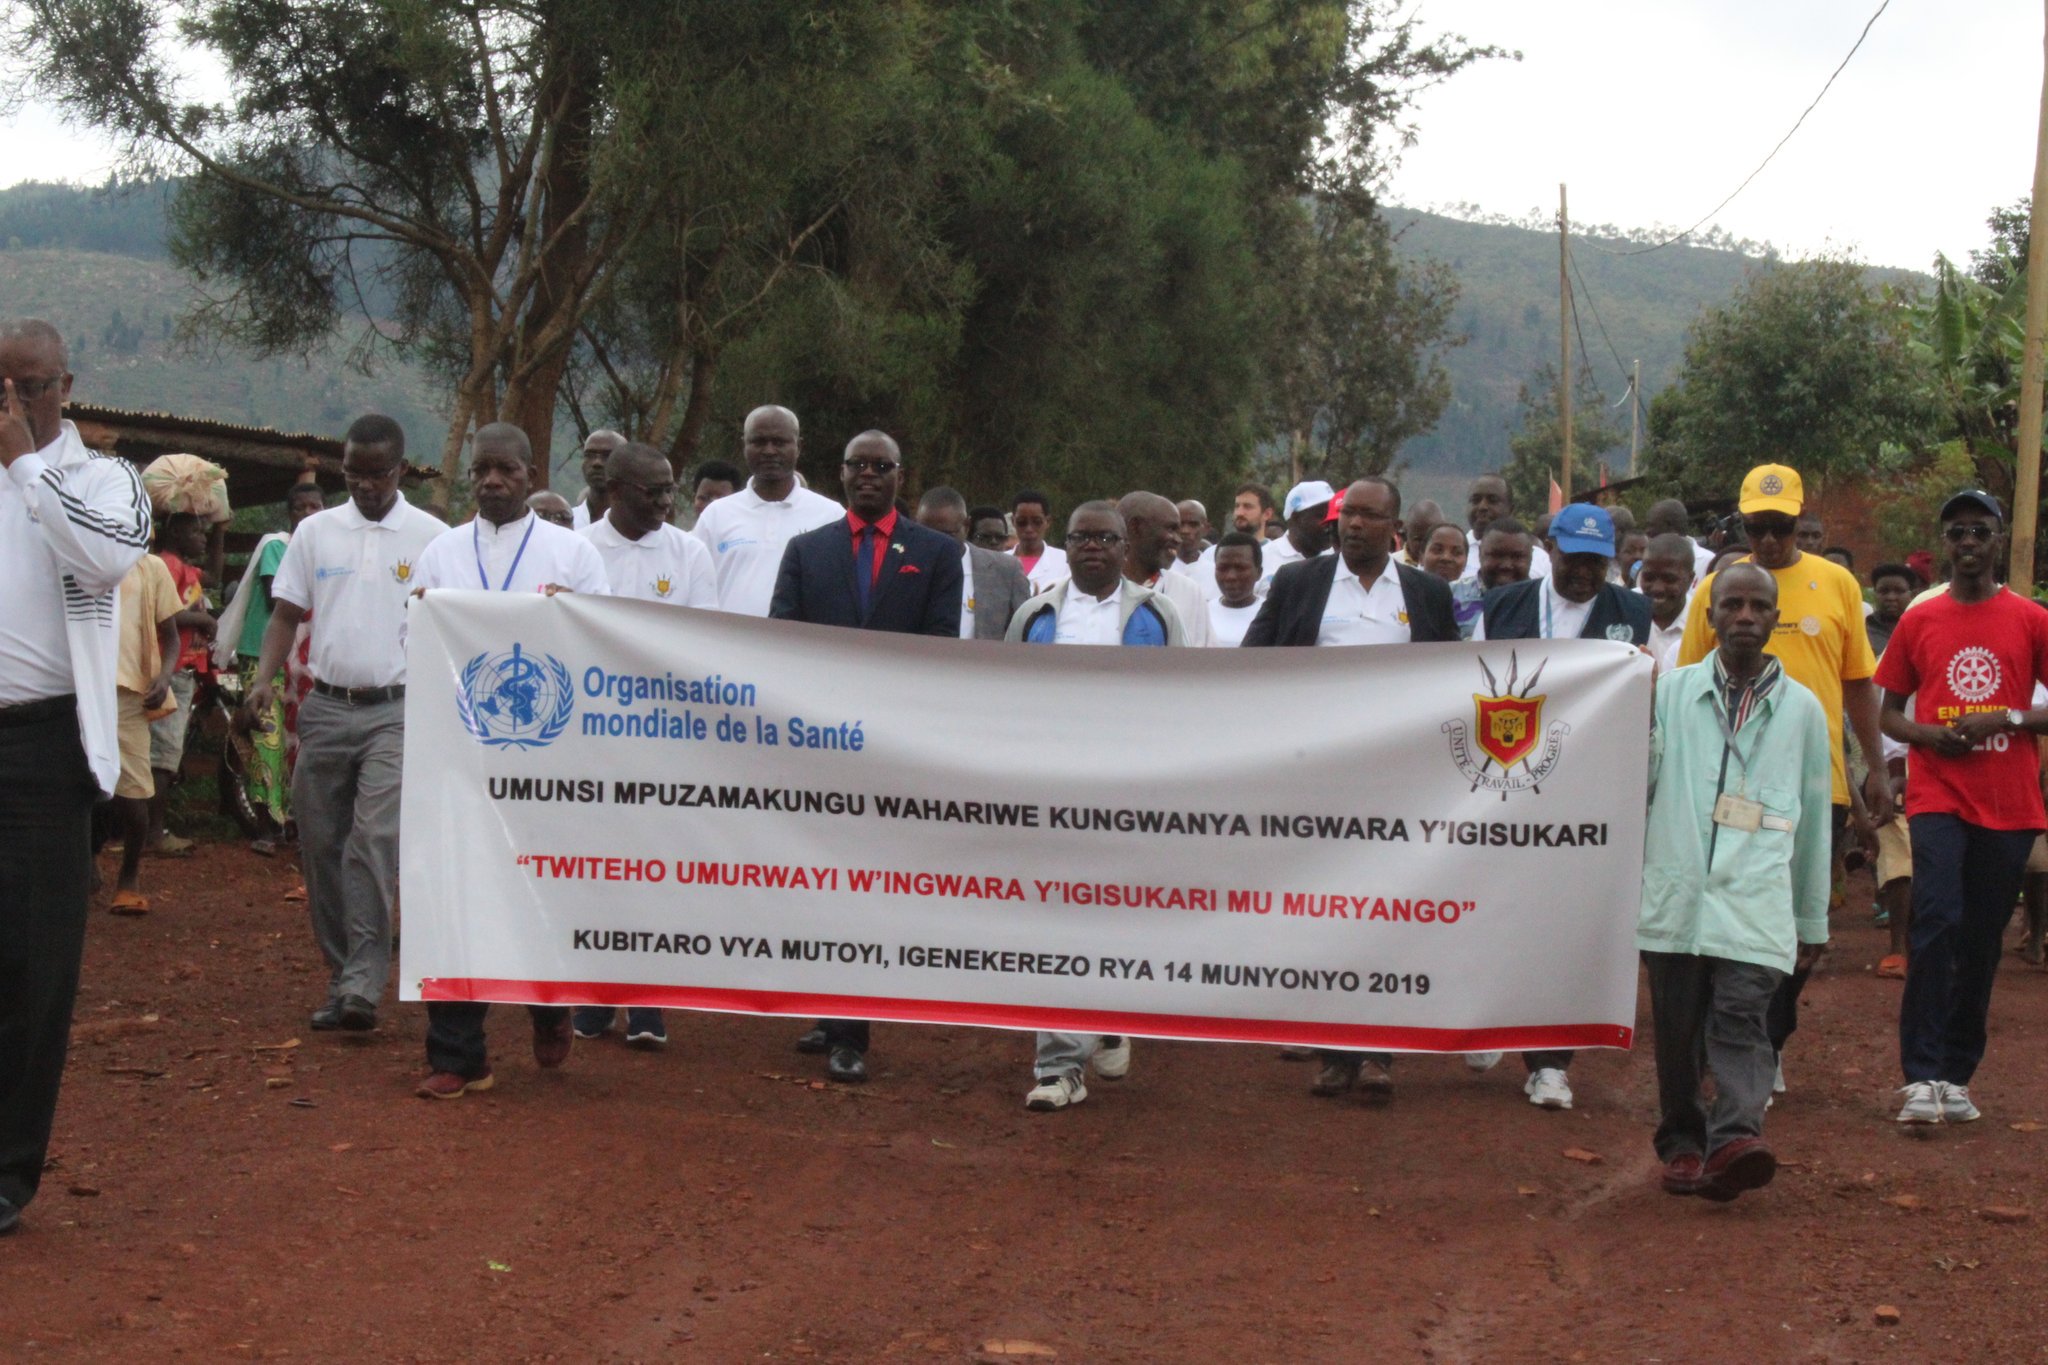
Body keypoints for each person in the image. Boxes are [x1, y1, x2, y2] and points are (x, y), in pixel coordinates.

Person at [0, 317, 152, 1240]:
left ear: (68, 384)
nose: (14, 401)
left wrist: (25, 466)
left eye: (32, 385)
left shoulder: (106, 479)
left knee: (34, 964)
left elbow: (107, 557)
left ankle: (9, 1172)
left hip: (46, 748)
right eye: (2, 386)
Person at [1678, 463, 1892, 1102]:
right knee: (1721, 915)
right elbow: (1683, 686)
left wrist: (1874, 769)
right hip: (1724, 784)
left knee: (1801, 928)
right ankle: (1736, 1037)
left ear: (1801, 522)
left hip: (1813, 787)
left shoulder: (1838, 584)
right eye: (1756, 526)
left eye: (1781, 526)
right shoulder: (1716, 589)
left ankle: (1769, 1033)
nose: (1768, 539)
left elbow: (1858, 684)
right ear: (1740, 524)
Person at [408, 423, 607, 1097]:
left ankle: (549, 1002)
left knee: (539, 890)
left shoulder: (572, 553)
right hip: (459, 753)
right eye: (482, 470)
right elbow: (420, 643)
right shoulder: (440, 553)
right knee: (456, 893)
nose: (492, 480)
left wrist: (567, 618)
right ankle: (457, 1054)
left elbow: (600, 643)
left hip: (550, 762)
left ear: (529, 472)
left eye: (506, 470)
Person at [1240, 476, 1456, 1100]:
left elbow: (1451, 680)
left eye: (1369, 516)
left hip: (1399, 783)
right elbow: (1254, 662)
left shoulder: (1426, 593)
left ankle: (1380, 1049)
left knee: (1388, 908)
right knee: (1328, 910)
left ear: (1395, 529)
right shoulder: (1298, 584)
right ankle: (1335, 1051)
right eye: (1347, 515)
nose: (1355, 524)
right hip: (1316, 777)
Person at [246, 416, 448, 1043]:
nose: (364, 485)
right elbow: (286, 614)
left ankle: (364, 979)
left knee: (371, 838)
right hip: (326, 707)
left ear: (402, 469)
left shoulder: (434, 539)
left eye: (377, 474)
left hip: (399, 709)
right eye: (353, 473)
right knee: (321, 844)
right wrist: (262, 680)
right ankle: (345, 975)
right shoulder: (315, 532)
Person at [772, 431, 964, 1084]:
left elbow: (940, 643)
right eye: (858, 465)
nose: (869, 476)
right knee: (818, 879)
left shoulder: (938, 553)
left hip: (889, 746)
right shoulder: (807, 550)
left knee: (863, 884)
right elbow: (781, 638)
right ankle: (830, 1009)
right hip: (818, 744)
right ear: (842, 472)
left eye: (882, 466)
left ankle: (852, 1030)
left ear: (900, 477)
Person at [1640, 564, 1832, 1200]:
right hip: (1678, 893)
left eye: (1758, 606)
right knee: (1676, 1029)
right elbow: (1637, 786)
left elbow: (1811, 819)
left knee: (1742, 1019)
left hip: (1756, 897)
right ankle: (1684, 1142)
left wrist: (1812, 918)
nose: (1745, 616)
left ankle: (1736, 1140)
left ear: (1776, 619)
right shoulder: (1668, 693)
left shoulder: (1802, 710)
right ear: (1711, 616)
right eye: (1733, 605)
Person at [1002, 500, 1183, 1109]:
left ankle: (1109, 1016)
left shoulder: (1157, 616)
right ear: (1066, 542)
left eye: (1105, 537)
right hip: (1048, 790)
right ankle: (1057, 1067)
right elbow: (1002, 702)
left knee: (1114, 914)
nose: (1092, 548)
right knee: (1056, 915)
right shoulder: (1034, 615)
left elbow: (1182, 704)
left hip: (1127, 792)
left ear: (1124, 546)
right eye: (1081, 538)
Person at [1875, 489, 2048, 1126]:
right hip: (1938, 793)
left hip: (2010, 801)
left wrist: (2004, 716)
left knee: (1980, 939)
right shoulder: (1920, 619)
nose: (1968, 543)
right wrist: (1926, 737)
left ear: (1998, 540)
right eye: (1957, 533)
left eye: (1979, 531)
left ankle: (1957, 1073)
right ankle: (1920, 1075)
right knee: (1937, 919)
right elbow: (1890, 708)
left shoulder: (2032, 618)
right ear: (1944, 544)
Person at [1470, 503, 1650, 1108]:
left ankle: (1551, 1063)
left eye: (1598, 563)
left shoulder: (1634, 613)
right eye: (1575, 558)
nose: (1585, 573)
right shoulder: (1503, 607)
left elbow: (1647, 699)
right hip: (1503, 784)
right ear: (1550, 549)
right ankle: (1489, 1020)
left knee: (1564, 923)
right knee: (1496, 910)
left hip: (1588, 794)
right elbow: (1469, 686)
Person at [567, 441, 716, 1049]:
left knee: (657, 870)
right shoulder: (579, 550)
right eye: (651, 491)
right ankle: (596, 994)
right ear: (613, 491)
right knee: (593, 868)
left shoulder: (689, 553)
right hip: (591, 739)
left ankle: (650, 1002)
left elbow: (702, 642)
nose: (665, 501)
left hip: (664, 738)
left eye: (670, 489)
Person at [215, 481, 325, 855]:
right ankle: (266, 826)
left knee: (295, 739)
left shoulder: (322, 551)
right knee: (268, 738)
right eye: (301, 508)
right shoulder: (277, 546)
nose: (309, 514)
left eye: (316, 507)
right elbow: (279, 596)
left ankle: (289, 819)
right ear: (290, 514)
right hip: (262, 656)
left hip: (301, 661)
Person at [691, 406, 843, 616]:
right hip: (728, 644)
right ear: (744, 445)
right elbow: (695, 587)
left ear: (799, 446)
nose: (769, 451)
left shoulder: (831, 515)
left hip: (803, 645)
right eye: (759, 442)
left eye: (780, 442)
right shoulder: (716, 515)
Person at [110, 553, 183, 914]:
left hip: (129, 692)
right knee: (77, 789)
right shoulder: (75, 555)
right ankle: (84, 866)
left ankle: (129, 876)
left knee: (134, 795)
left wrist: (164, 676)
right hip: (76, 691)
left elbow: (171, 637)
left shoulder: (150, 567)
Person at [147, 510, 216, 856]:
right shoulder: (168, 565)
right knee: (162, 756)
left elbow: (215, 575)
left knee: (163, 754)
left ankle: (148, 831)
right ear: (174, 530)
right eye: (196, 530)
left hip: (181, 670)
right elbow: (166, 614)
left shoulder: (184, 568)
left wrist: (221, 529)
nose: (202, 537)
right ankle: (153, 835)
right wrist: (203, 618)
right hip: (169, 671)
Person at [917, 485, 1031, 641]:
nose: (937, 543)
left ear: (966, 526)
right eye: (927, 535)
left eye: (946, 535)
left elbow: (1025, 632)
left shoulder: (1006, 570)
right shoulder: (906, 566)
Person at [1120, 490, 1212, 647]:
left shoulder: (1188, 591)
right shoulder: (1095, 589)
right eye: (1171, 529)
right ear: (1136, 527)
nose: (1178, 539)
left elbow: (1202, 660)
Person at [1450, 518, 1532, 640]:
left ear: (1531, 557)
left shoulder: (1544, 599)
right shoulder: (1449, 595)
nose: (1506, 565)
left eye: (1517, 557)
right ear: (1479, 553)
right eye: (1496, 555)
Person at [1463, 474, 1551, 581]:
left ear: (1511, 508)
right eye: (1476, 500)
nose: (1482, 506)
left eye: (1492, 500)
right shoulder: (1455, 552)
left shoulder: (1540, 559)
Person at [1258, 479, 1336, 595]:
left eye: (1332, 515)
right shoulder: (1262, 559)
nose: (1330, 523)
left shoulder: (1339, 560)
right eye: (1321, 516)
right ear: (1295, 518)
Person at [1638, 533, 1698, 672]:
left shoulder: (1702, 623)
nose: (1657, 588)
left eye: (1669, 579)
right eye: (1649, 577)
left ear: (1691, 579)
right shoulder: (1624, 612)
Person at [1207, 532, 1263, 647]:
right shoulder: (1202, 613)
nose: (1230, 577)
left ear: (1259, 573)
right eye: (1223, 568)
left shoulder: (1271, 615)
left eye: (1240, 568)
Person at [1008, 489, 1068, 591]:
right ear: (1013, 521)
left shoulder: (1064, 562)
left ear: (1047, 522)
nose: (1029, 529)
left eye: (1037, 522)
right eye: (1022, 522)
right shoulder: (1000, 561)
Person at [1645, 497, 1716, 582]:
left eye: (1651, 525)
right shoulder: (1648, 559)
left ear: (1670, 526)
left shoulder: (1708, 561)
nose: (1647, 531)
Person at [569, 428, 623, 529]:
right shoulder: (567, 523)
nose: (597, 462)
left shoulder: (640, 527)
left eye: (607, 456)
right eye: (589, 455)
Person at [1867, 563, 1915, 657]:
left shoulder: (1921, 630)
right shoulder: (1863, 633)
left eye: (1899, 591)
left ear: (1912, 595)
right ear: (1874, 594)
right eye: (1884, 591)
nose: (1891, 597)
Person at [1398, 499, 1445, 569]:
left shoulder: (1448, 568)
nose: (1426, 545)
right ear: (1404, 536)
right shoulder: (1392, 566)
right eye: (1419, 540)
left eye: (1432, 539)